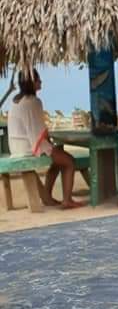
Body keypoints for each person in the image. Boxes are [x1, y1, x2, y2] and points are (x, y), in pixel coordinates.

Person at [7, 68, 83, 209]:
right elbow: (38, 132)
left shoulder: (16, 100)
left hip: (16, 146)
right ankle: (67, 200)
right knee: (69, 161)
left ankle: (47, 197)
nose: (41, 81)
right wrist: (50, 145)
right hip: (28, 148)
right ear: (32, 83)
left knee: (58, 160)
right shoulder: (34, 101)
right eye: (38, 79)